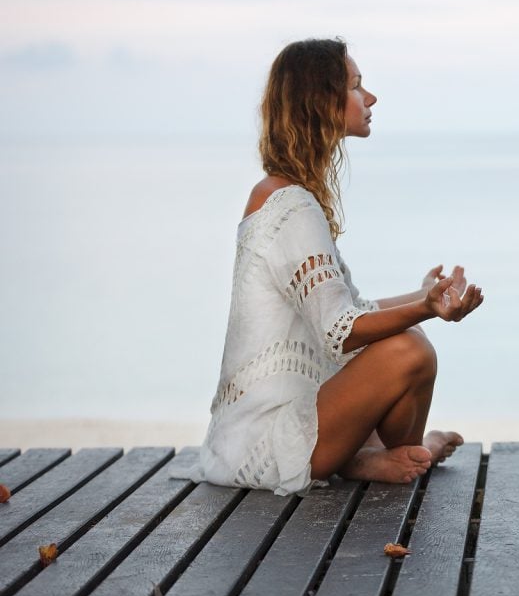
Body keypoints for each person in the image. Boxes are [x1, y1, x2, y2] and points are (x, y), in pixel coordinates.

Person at [169, 38, 483, 496]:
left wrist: (423, 296)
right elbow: (342, 330)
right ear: (322, 103)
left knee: (403, 341)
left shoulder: (285, 194)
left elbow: (353, 309)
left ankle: (369, 458)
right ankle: (378, 456)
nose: (370, 98)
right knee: (410, 350)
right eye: (357, 86)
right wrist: (427, 311)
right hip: (263, 445)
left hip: (260, 431)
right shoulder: (291, 205)